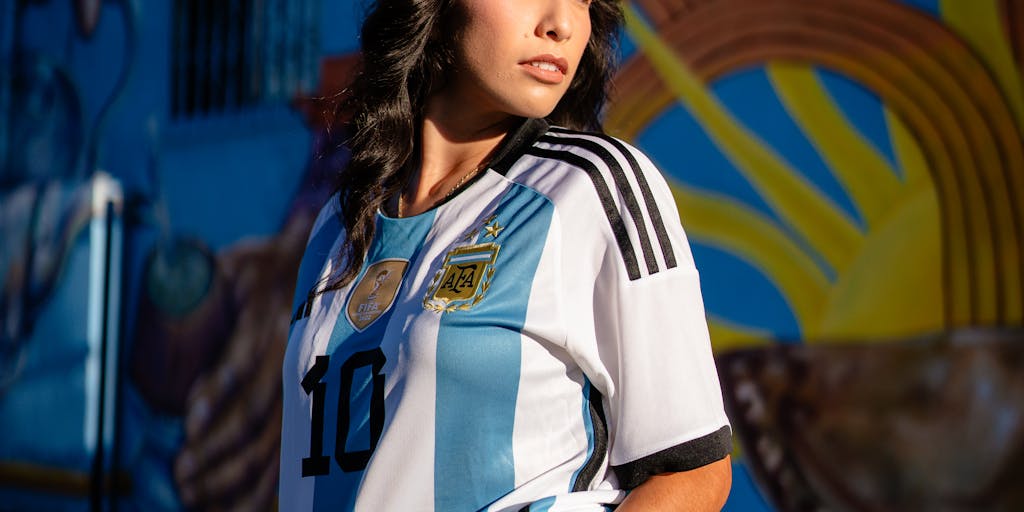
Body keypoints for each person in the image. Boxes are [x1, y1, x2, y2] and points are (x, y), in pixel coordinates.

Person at [279, 0, 733, 509]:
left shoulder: (591, 189)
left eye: (583, 1)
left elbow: (692, 475)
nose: (560, 24)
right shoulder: (334, 228)